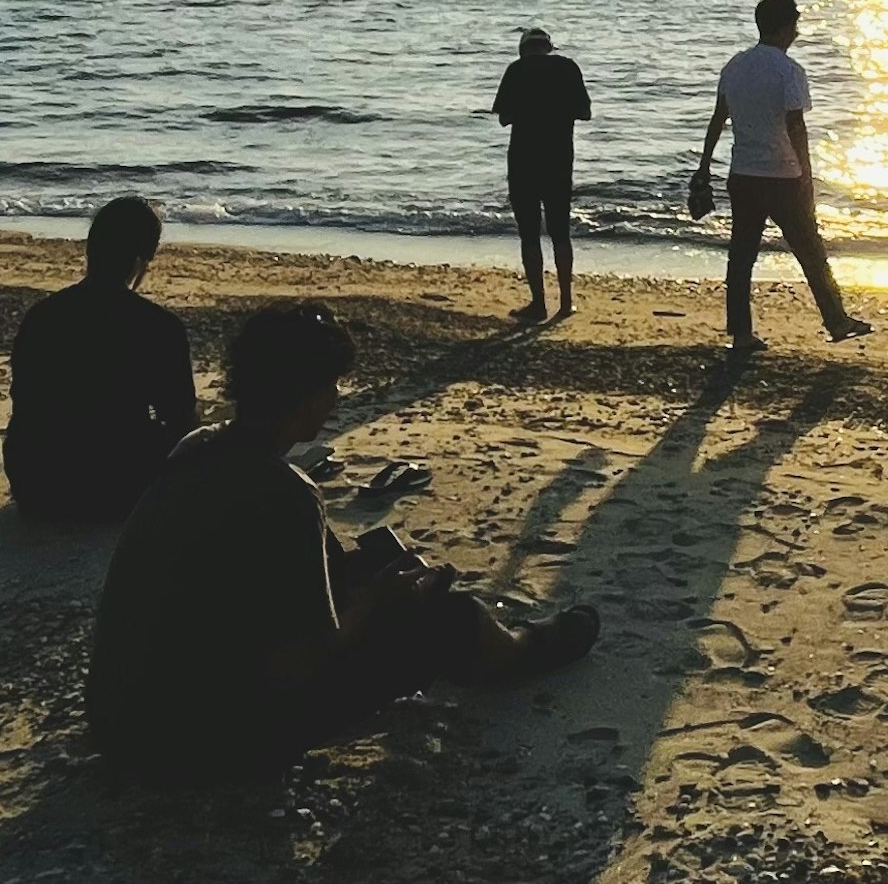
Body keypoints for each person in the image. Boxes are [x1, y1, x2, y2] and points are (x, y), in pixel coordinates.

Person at [86, 302, 598, 784]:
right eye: (332, 385)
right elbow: (295, 664)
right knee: (449, 618)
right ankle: (523, 648)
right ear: (307, 396)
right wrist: (375, 604)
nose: (335, 399)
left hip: (117, 725)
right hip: (201, 748)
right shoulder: (284, 491)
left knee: (356, 578)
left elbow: (237, 580)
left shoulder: (195, 449)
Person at [693, 0, 873, 353]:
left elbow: (718, 119)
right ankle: (836, 320)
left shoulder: (735, 66)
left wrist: (704, 166)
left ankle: (741, 333)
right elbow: (796, 126)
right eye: (794, 25)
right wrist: (806, 173)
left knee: (741, 255)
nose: (796, 32)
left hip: (743, 173)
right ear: (785, 27)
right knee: (809, 249)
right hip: (782, 175)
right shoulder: (789, 70)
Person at [3, 196, 198, 523]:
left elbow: (24, 400)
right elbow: (179, 417)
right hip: (117, 490)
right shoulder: (158, 327)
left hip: (36, 485)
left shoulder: (43, 317)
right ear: (142, 258)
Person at [489, 27, 593, 321]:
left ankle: (538, 304)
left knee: (529, 234)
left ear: (524, 49)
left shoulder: (516, 70)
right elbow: (584, 113)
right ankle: (566, 303)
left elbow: (504, 118)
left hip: (523, 161)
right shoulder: (568, 67)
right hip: (559, 160)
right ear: (549, 47)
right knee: (561, 232)